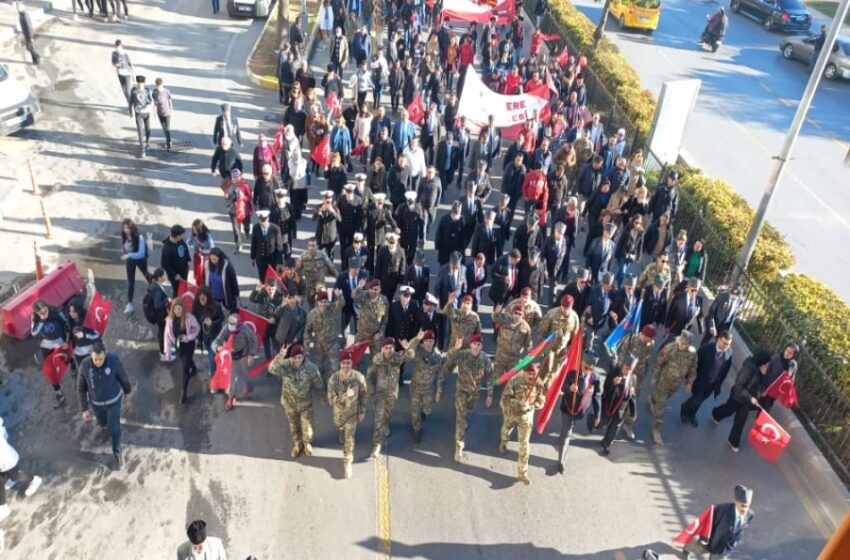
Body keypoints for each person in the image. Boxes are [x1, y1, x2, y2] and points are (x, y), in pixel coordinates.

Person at [439, 334, 494, 463]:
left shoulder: (485, 359)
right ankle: (459, 446)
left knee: (469, 408)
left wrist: (490, 395)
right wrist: (455, 348)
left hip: (474, 393)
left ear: (481, 346)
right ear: (470, 345)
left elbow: (490, 377)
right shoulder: (462, 354)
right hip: (461, 391)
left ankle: (463, 418)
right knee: (460, 417)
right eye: (474, 344)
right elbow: (449, 358)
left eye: (478, 344)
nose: (476, 346)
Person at [77, 342, 132, 469]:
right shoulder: (85, 365)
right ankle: (104, 425)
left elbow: (122, 376)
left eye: (100, 359)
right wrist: (84, 409)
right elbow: (80, 387)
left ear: (105, 354)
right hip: (96, 404)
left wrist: (127, 390)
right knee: (102, 422)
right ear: (91, 355)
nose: (98, 362)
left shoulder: (113, 360)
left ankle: (117, 453)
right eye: (95, 359)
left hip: (113, 401)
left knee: (114, 427)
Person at [268, 344, 325, 458]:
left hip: (305, 404)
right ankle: (297, 444)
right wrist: (280, 355)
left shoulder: (311, 368)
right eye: (295, 358)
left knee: (307, 426)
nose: (297, 360)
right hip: (289, 403)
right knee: (293, 425)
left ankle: (307, 443)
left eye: (299, 357)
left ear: (303, 356)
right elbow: (272, 369)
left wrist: (322, 396)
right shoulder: (285, 365)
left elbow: (318, 383)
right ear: (291, 357)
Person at [367, 334, 420, 457]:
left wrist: (408, 349)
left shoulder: (397, 357)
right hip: (380, 393)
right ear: (382, 349)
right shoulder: (377, 359)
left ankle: (386, 423)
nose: (389, 350)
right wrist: (371, 388)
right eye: (386, 348)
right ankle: (377, 444)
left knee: (388, 413)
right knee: (378, 418)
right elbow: (370, 375)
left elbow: (410, 356)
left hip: (392, 393)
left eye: (391, 348)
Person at [711, 351, 772, 452]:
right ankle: (716, 414)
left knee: (740, 421)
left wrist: (761, 392)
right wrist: (750, 397)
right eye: (767, 363)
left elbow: (759, 385)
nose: (768, 366)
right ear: (762, 362)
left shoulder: (762, 371)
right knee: (728, 410)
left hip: (746, 402)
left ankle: (733, 441)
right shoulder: (748, 369)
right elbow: (739, 385)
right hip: (737, 397)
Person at [499, 362, 545, 485]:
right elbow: (504, 399)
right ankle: (503, 443)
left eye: (533, 374)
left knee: (524, 444)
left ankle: (522, 473)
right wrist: (517, 403)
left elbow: (541, 401)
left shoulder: (539, 383)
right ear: (524, 372)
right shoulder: (514, 380)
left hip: (526, 417)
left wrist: (530, 406)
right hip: (512, 414)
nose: (531, 376)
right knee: (506, 431)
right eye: (529, 374)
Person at [679, 485, 754, 560]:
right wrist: (710, 543)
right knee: (697, 547)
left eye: (747, 506)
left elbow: (740, 531)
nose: (745, 509)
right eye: (742, 506)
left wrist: (731, 545)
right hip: (712, 539)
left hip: (724, 548)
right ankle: (686, 550)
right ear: (736, 501)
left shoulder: (750, 514)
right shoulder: (722, 510)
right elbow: (711, 522)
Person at [557, 351, 602, 474]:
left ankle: (563, 438)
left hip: (581, 409)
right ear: (582, 362)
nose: (587, 371)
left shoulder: (595, 377)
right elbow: (562, 386)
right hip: (568, 407)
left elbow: (597, 396)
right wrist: (569, 388)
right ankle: (561, 460)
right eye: (586, 367)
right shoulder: (572, 373)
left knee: (569, 428)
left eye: (590, 369)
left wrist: (597, 414)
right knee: (567, 432)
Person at [649, 331, 697, 445]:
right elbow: (658, 363)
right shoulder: (669, 348)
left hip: (675, 385)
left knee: (662, 399)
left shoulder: (692, 354)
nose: (682, 345)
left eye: (685, 344)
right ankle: (657, 430)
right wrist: (655, 376)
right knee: (661, 407)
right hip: (663, 382)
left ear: (689, 344)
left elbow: (693, 369)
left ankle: (652, 399)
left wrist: (690, 382)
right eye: (681, 342)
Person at [680, 331, 734, 427]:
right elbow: (694, 364)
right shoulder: (706, 348)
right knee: (696, 399)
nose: (726, 346)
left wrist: (719, 383)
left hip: (712, 384)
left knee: (701, 400)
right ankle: (685, 408)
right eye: (724, 343)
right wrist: (689, 379)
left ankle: (692, 414)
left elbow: (725, 370)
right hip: (700, 380)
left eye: (728, 344)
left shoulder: (728, 355)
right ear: (718, 339)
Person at [327, 349, 367, 478]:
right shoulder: (334, 379)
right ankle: (341, 430)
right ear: (340, 364)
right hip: (339, 414)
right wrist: (346, 395)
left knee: (349, 439)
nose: (346, 366)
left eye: (348, 363)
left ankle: (347, 462)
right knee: (340, 427)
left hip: (352, 415)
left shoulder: (359, 377)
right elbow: (331, 400)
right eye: (343, 363)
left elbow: (364, 395)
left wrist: (362, 411)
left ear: (352, 363)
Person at [0, 415, 42, 522]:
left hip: (6, 460)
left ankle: (34, 480)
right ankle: (3, 505)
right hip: (4, 460)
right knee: (4, 479)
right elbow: (5, 434)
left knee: (15, 475)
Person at [212, 314, 258, 411]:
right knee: (231, 380)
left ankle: (245, 384)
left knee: (245, 373)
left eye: (235, 330)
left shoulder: (245, 329)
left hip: (243, 356)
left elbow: (254, 339)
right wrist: (217, 347)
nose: (233, 331)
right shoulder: (226, 328)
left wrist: (252, 355)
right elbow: (217, 340)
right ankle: (231, 397)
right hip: (231, 358)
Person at [30, 300, 70, 407]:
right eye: (41, 312)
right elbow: (34, 333)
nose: (44, 313)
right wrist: (41, 321)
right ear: (37, 313)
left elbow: (66, 323)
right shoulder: (35, 319)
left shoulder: (54, 311)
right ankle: (59, 393)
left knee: (67, 359)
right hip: (47, 347)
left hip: (61, 342)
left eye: (45, 310)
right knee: (50, 371)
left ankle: (74, 368)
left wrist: (67, 340)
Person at [599, 354, 637, 456]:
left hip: (621, 409)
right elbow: (606, 388)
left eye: (630, 369)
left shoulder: (632, 378)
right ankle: (592, 420)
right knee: (602, 423)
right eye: (626, 368)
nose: (628, 371)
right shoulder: (614, 372)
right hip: (609, 405)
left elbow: (632, 397)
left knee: (614, 427)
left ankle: (606, 443)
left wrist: (633, 413)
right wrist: (613, 383)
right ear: (622, 365)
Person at [163, 299, 200, 404]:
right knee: (186, 362)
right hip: (178, 346)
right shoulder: (170, 320)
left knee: (185, 368)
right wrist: (167, 351)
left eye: (179, 309)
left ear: (183, 309)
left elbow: (197, 328)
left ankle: (183, 392)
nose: (177, 311)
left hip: (189, 345)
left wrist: (188, 337)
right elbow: (167, 335)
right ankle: (193, 366)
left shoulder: (189, 318)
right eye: (175, 309)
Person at [304, 289, 344, 382]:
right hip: (319, 346)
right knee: (319, 368)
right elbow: (307, 331)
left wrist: (339, 295)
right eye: (321, 302)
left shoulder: (332, 308)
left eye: (325, 302)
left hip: (332, 344)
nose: (323, 304)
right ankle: (320, 384)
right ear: (317, 302)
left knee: (335, 367)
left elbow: (342, 302)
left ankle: (330, 383)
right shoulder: (312, 314)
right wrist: (306, 348)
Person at [193, 286, 225, 375]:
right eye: (200, 297)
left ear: (208, 297)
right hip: (204, 336)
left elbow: (222, 318)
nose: (201, 300)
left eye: (203, 297)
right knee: (211, 353)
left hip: (215, 335)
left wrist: (213, 322)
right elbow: (194, 317)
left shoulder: (216, 306)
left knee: (211, 355)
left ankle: (213, 374)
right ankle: (216, 365)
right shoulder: (197, 306)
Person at [120, 218, 150, 315]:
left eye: (128, 228)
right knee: (130, 282)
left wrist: (129, 255)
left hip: (140, 260)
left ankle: (157, 291)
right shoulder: (124, 236)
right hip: (130, 261)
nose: (126, 230)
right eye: (124, 228)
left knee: (148, 276)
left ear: (132, 228)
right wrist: (126, 254)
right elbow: (125, 247)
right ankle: (129, 305)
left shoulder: (139, 237)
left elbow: (141, 253)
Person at [205, 248, 240, 313]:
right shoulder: (207, 265)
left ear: (220, 258)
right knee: (215, 311)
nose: (213, 261)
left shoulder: (227, 266)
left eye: (215, 259)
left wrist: (236, 292)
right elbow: (205, 279)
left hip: (226, 293)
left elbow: (233, 280)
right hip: (214, 294)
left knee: (231, 309)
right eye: (211, 259)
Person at [160, 225, 190, 297]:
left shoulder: (181, 241)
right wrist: (174, 274)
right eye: (181, 235)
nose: (182, 236)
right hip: (175, 275)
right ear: (177, 236)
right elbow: (164, 264)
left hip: (184, 271)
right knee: (177, 291)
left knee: (183, 289)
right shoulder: (166, 249)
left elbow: (185, 250)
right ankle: (175, 305)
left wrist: (188, 260)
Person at [129, 75, 153, 158]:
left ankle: (147, 142)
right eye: (139, 83)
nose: (140, 85)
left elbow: (150, 100)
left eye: (141, 83)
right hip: (138, 113)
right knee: (140, 131)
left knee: (148, 128)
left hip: (147, 112)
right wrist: (130, 110)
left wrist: (149, 103)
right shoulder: (134, 90)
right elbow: (131, 101)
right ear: (137, 82)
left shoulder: (146, 90)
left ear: (144, 83)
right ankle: (143, 150)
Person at [152, 78, 174, 151]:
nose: (158, 88)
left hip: (167, 112)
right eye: (157, 86)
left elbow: (170, 101)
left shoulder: (166, 91)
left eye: (160, 86)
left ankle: (168, 143)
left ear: (162, 85)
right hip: (160, 113)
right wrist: (154, 113)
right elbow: (155, 104)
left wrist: (171, 111)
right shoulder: (154, 93)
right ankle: (169, 140)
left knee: (167, 129)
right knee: (164, 128)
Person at [111, 39, 134, 106]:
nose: (117, 49)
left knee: (128, 91)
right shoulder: (114, 54)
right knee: (124, 91)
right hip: (119, 73)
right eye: (116, 47)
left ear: (121, 47)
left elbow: (130, 64)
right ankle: (129, 103)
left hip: (127, 74)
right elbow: (112, 63)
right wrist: (116, 65)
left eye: (119, 48)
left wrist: (133, 75)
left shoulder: (125, 53)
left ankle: (131, 104)